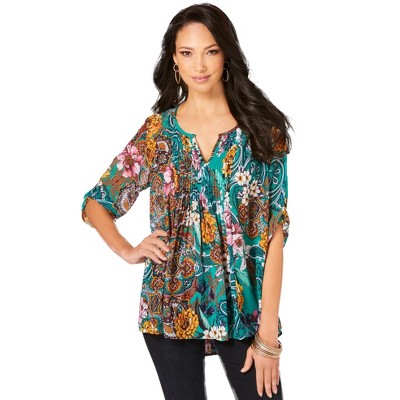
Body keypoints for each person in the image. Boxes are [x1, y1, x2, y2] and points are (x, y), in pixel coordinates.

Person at [81, 3, 292, 399]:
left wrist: (268, 335)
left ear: (226, 54)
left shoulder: (262, 130)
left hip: (244, 309)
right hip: (169, 306)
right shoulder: (157, 132)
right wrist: (128, 250)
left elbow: (274, 233)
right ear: (174, 60)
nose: (200, 65)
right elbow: (98, 202)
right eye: (187, 53)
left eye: (211, 51)